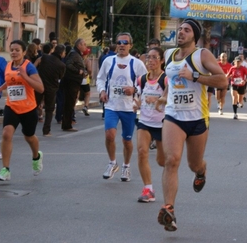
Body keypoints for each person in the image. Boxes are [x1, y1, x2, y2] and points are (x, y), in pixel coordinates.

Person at [154, 18, 227, 232]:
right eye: (180, 29)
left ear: (194, 35)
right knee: (171, 160)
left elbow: (223, 81)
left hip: (197, 119)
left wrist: (195, 75)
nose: (181, 32)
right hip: (174, 116)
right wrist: (163, 97)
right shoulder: (169, 55)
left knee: (193, 164)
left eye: (186, 30)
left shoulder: (202, 55)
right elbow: (171, 83)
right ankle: (169, 209)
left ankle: (201, 171)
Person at [97, 32, 147, 182]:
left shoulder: (137, 63)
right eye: (119, 42)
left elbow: (145, 83)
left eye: (125, 42)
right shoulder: (108, 61)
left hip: (128, 107)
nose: (122, 45)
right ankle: (112, 163)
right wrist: (102, 91)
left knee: (127, 140)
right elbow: (100, 78)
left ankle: (126, 166)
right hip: (111, 105)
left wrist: (134, 90)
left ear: (130, 45)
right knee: (109, 135)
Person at [0, 40, 44, 181]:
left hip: (28, 108)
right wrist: (1, 87)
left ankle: (36, 156)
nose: (14, 52)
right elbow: (11, 81)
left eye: (17, 50)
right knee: (6, 134)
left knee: (29, 136)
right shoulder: (8, 66)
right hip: (12, 106)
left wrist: (25, 76)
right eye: (12, 50)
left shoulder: (29, 67)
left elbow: (40, 88)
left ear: (23, 52)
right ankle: (5, 169)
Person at [135, 47, 166, 202]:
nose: (150, 61)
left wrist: (158, 100)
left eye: (154, 57)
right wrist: (136, 103)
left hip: (163, 123)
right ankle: (148, 189)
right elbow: (140, 97)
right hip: (145, 121)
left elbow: (172, 98)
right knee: (141, 152)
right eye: (148, 57)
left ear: (161, 60)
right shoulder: (142, 79)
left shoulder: (166, 79)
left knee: (162, 161)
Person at [35, 44, 66, 136]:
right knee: (49, 109)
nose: (64, 54)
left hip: (39, 85)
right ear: (61, 53)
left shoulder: (44, 57)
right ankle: (46, 130)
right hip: (51, 88)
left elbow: (37, 62)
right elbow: (61, 76)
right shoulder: (62, 65)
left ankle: (28, 126)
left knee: (33, 106)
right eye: (64, 53)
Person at [60, 38, 86, 131]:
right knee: (69, 103)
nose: (85, 46)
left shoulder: (76, 53)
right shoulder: (74, 54)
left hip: (73, 81)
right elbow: (68, 64)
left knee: (70, 103)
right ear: (79, 45)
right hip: (71, 81)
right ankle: (67, 125)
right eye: (84, 44)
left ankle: (67, 124)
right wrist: (78, 71)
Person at [99, 44, 117, 120]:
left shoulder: (104, 57)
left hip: (105, 78)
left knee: (105, 94)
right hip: (111, 79)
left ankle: (104, 112)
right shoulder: (114, 58)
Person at [79, 48, 92, 116]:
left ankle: (72, 110)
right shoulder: (87, 60)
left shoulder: (78, 59)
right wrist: (90, 74)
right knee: (87, 93)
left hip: (77, 78)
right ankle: (85, 106)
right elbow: (89, 69)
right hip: (84, 80)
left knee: (76, 94)